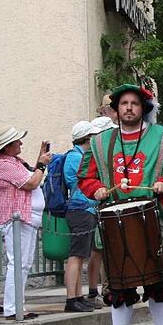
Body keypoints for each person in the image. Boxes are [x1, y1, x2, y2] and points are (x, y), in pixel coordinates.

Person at [78, 83, 163, 325]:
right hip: (114, 220)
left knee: (157, 283)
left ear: (144, 108)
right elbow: (85, 178)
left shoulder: (162, 138)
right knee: (118, 287)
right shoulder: (100, 142)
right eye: (124, 104)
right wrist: (96, 190)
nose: (129, 108)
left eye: (134, 104)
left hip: (153, 218)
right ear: (116, 110)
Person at [0, 126, 51, 320]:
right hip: (16, 218)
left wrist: (40, 158)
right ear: (8, 146)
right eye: (18, 141)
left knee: (23, 263)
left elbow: (31, 175)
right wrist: (42, 165)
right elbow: (31, 183)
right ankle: (12, 308)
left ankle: (17, 306)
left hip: (26, 218)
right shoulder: (3, 164)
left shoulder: (15, 161)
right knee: (18, 263)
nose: (21, 143)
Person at [63, 121, 103, 312]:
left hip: (85, 209)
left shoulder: (80, 155)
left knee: (80, 256)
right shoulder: (75, 157)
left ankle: (78, 296)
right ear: (87, 138)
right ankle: (72, 299)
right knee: (76, 256)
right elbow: (80, 180)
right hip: (80, 209)